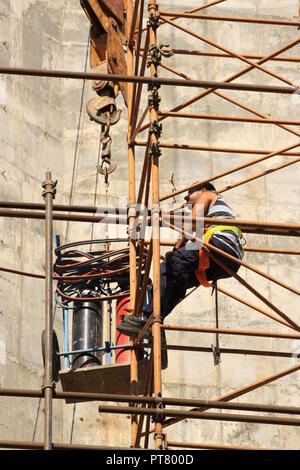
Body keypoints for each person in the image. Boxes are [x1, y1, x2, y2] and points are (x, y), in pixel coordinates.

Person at [117, 182, 244, 338]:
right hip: (230, 260)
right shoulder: (215, 213)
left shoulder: (207, 195)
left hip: (219, 243)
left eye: (190, 192)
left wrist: (176, 250)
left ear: (202, 190)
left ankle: (147, 317)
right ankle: (156, 321)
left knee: (166, 267)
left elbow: (191, 223)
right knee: (179, 279)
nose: (186, 196)